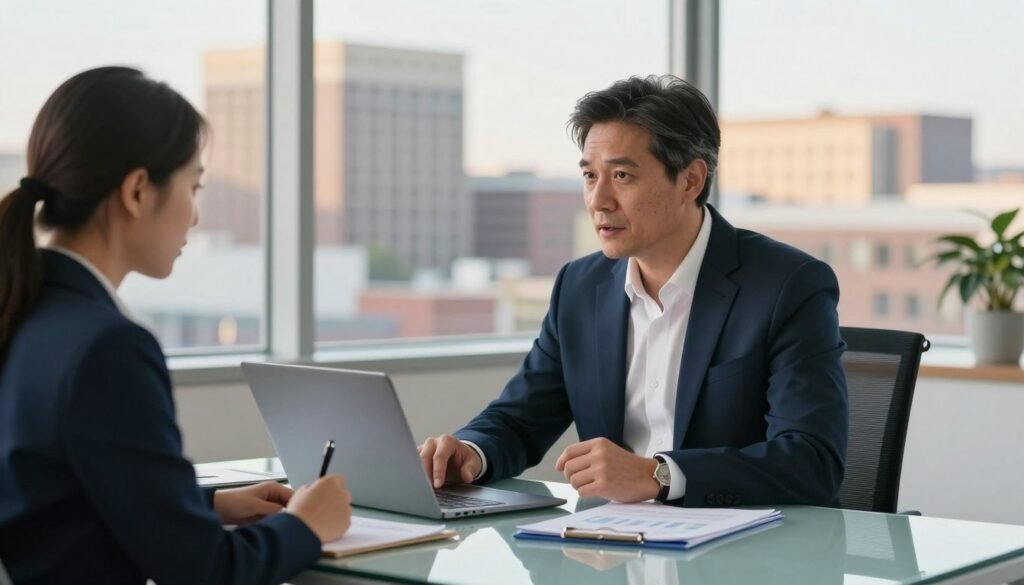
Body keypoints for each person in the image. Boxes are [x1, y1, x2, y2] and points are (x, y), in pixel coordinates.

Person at [420, 75, 847, 507]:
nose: (599, 200)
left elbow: (811, 461)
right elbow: (520, 418)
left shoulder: (786, 286)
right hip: (614, 548)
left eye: (622, 175)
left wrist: (659, 475)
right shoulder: (580, 287)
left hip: (748, 553)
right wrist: (470, 453)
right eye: (590, 176)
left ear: (690, 181)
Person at [0, 67, 351, 584]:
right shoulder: (108, 347)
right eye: (194, 185)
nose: (195, 216)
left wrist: (202, 505)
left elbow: (66, 500)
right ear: (138, 191)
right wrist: (305, 526)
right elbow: (205, 571)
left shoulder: (28, 312)